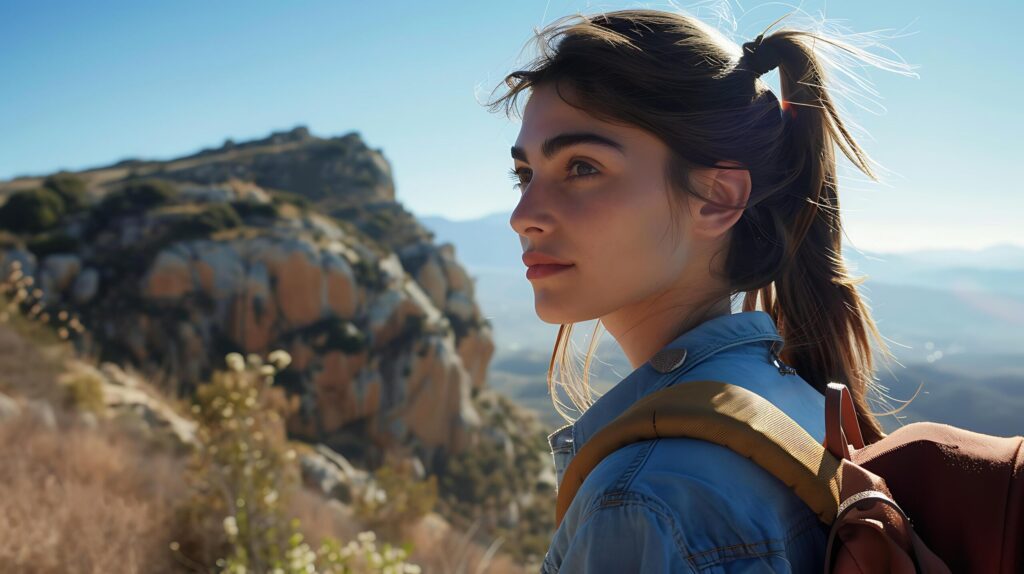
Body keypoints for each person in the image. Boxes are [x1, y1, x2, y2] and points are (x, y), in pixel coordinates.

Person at [486, 8, 916, 573]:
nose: (525, 216)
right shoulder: (797, 399)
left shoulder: (643, 504)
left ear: (717, 197)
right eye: (526, 175)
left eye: (582, 167)